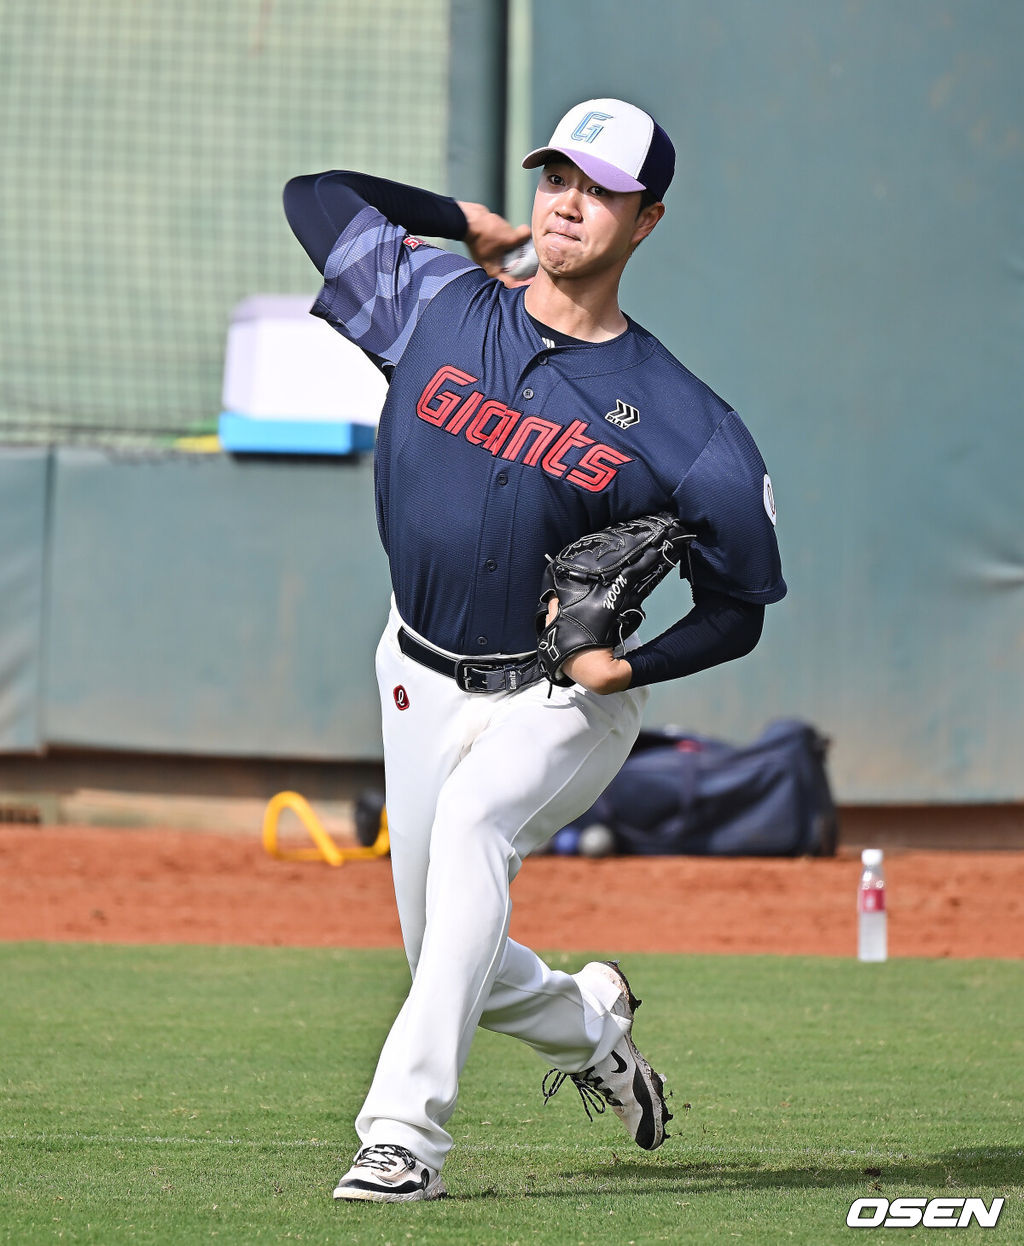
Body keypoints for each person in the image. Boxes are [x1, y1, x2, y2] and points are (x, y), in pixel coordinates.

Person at [284, 97, 786, 1203]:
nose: (568, 202)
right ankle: (591, 1027)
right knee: (446, 956)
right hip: (413, 672)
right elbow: (315, 198)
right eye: (555, 175)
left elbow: (741, 601)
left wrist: (629, 668)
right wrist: (452, 216)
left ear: (644, 221)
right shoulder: (433, 303)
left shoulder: (684, 425)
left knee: (474, 832)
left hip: (560, 696)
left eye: (599, 189)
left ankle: (401, 1137)